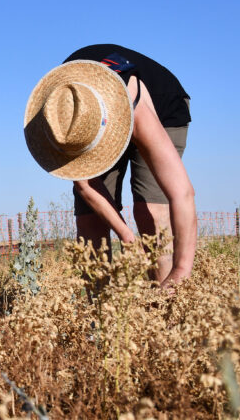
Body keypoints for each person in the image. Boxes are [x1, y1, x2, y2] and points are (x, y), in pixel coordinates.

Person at [23, 45, 195, 287]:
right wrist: (127, 238)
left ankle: (165, 303)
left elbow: (182, 193)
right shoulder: (60, 114)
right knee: (89, 219)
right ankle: (100, 312)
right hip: (92, 115)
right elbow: (86, 187)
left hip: (163, 108)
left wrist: (182, 268)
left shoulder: (139, 111)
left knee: (151, 211)